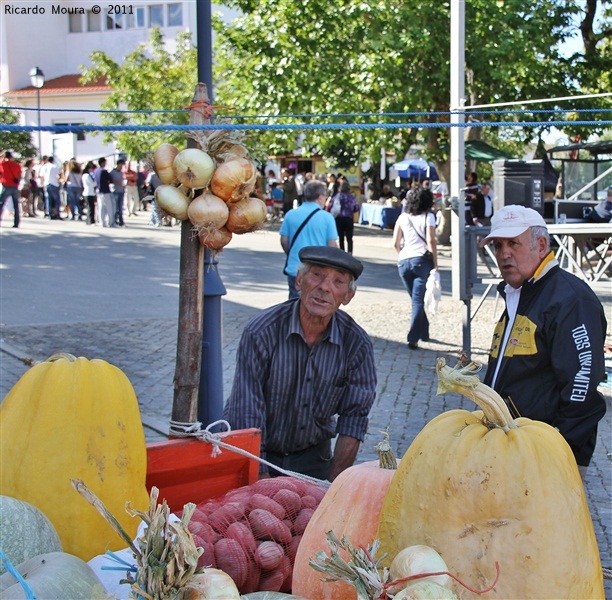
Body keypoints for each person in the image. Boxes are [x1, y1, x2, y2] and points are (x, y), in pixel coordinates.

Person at [223, 245, 377, 481]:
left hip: (314, 459)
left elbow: (354, 419)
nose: (324, 287)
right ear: (299, 281)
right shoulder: (261, 331)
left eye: (338, 282)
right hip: (257, 456)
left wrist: (333, 487)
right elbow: (247, 411)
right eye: (317, 275)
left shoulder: (356, 344)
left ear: (347, 296)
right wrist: (260, 483)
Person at [479, 205, 607, 476]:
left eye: (513, 243)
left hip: (545, 454)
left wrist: (557, 447)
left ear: (541, 245)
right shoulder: (520, 292)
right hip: (510, 445)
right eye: (498, 245)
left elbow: (582, 386)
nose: (504, 254)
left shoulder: (569, 300)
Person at [393, 186, 438, 349]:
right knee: (417, 301)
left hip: (403, 261)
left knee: (415, 299)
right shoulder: (428, 217)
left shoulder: (403, 217)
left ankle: (424, 332)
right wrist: (435, 263)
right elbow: (431, 240)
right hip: (421, 260)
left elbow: (395, 242)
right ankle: (413, 337)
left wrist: (402, 255)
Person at [280, 179, 339, 299]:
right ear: (320, 197)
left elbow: (284, 240)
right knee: (315, 304)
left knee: (294, 304)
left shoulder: (291, 214)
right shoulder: (327, 218)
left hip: (295, 268)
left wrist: (291, 253)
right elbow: (332, 246)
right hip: (318, 271)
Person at [330, 180, 360, 254]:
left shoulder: (337, 196)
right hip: (349, 218)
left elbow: (331, 205)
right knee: (349, 237)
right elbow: (356, 207)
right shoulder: (352, 197)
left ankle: (342, 252)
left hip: (339, 218)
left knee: (341, 237)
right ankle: (350, 252)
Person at [0, 151, 22, 228]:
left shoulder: (2, 164)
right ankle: (16, 223)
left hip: (6, 186)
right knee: (16, 205)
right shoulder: (17, 165)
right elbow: (19, 176)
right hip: (15, 186)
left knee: (1, 204)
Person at [94, 157, 114, 227]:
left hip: (99, 191)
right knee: (109, 207)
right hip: (105, 191)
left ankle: (102, 222)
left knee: (101, 207)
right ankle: (111, 222)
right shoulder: (104, 171)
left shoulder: (96, 171)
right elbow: (110, 179)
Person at [110, 159, 126, 226]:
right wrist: (116, 182)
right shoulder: (112, 172)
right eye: (121, 164)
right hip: (115, 191)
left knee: (120, 207)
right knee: (115, 207)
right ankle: (115, 219)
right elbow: (110, 181)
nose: (122, 166)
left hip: (121, 190)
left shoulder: (121, 172)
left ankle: (121, 220)